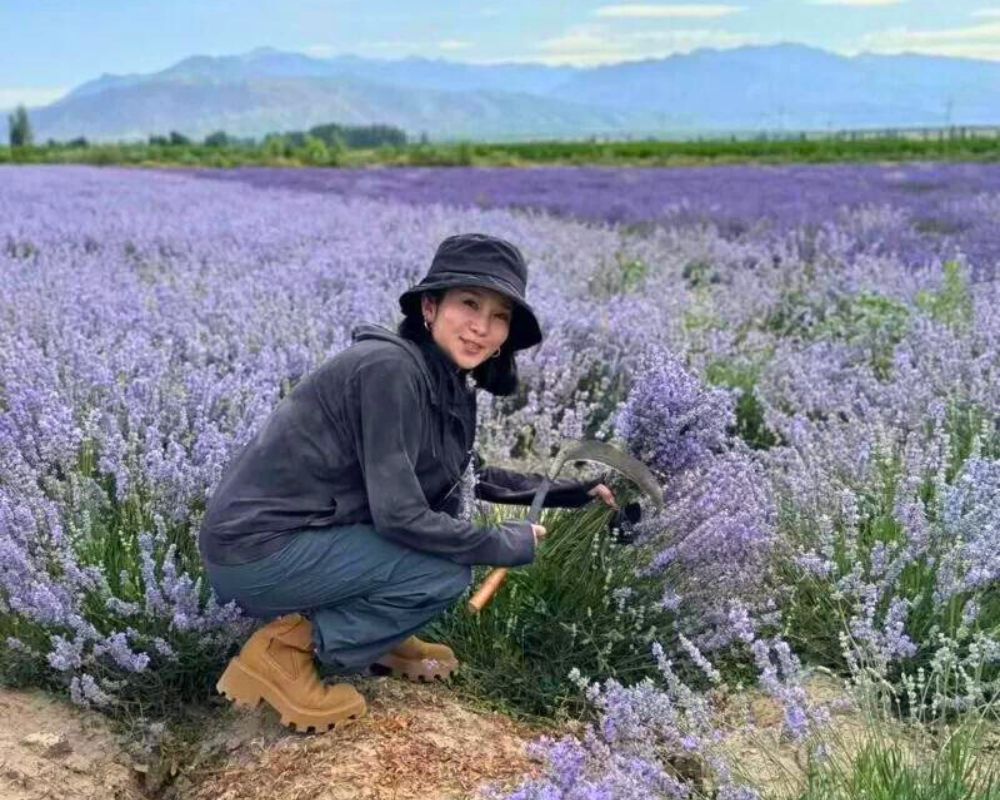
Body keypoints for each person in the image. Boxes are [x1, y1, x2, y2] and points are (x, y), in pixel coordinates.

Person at [198, 232, 617, 732]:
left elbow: (468, 474)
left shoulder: (443, 381)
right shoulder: (390, 370)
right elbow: (398, 516)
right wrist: (496, 544)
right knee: (441, 573)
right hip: (258, 553)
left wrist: (571, 491)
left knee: (437, 544)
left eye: (499, 315)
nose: (482, 328)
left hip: (302, 541)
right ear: (430, 307)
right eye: (469, 303)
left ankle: (380, 636)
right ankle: (286, 651)